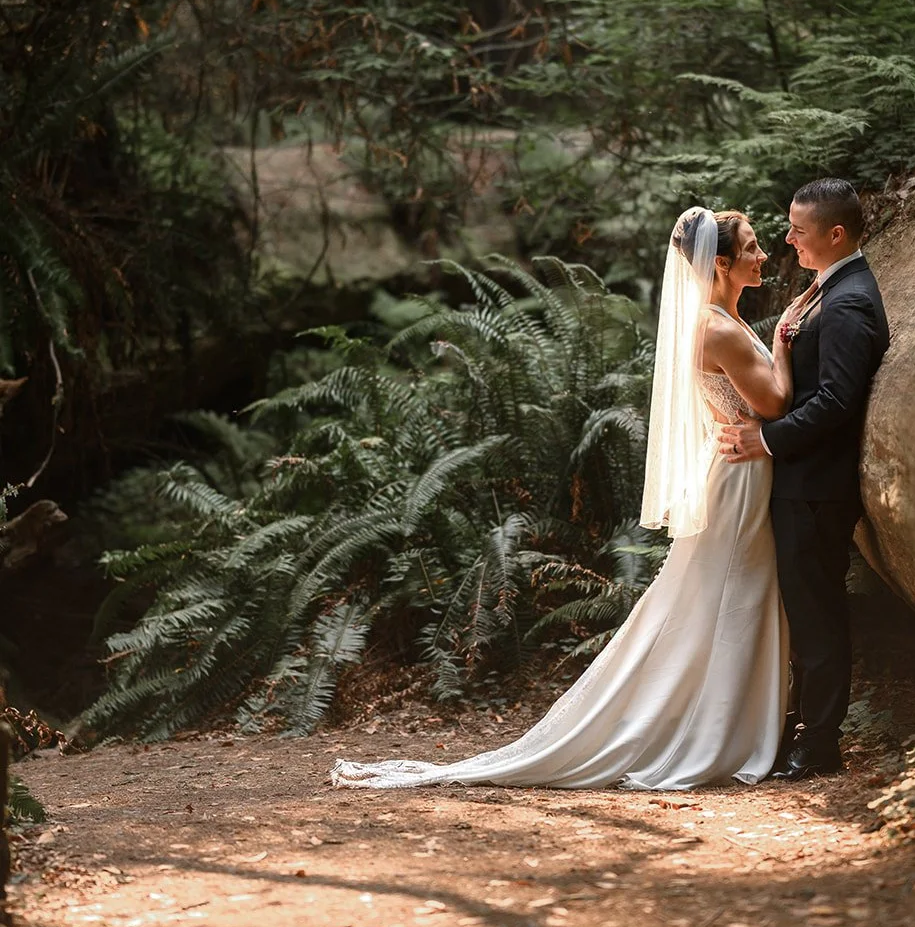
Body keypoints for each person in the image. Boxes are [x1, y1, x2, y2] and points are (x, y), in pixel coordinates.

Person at [331, 207, 811, 794]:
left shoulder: (713, 321)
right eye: (753, 247)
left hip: (736, 466)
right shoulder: (719, 330)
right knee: (732, 595)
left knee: (724, 596)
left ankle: (723, 723)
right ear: (721, 264)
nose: (764, 255)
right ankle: (714, 733)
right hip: (738, 477)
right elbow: (775, 405)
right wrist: (783, 342)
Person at [719, 178, 890, 781]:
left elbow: (838, 400)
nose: (788, 240)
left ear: (835, 234)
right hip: (802, 483)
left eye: (797, 230)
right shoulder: (829, 289)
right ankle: (794, 728)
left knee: (817, 616)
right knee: (804, 612)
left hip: (817, 488)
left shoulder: (847, 302)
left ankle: (819, 743)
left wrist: (766, 439)